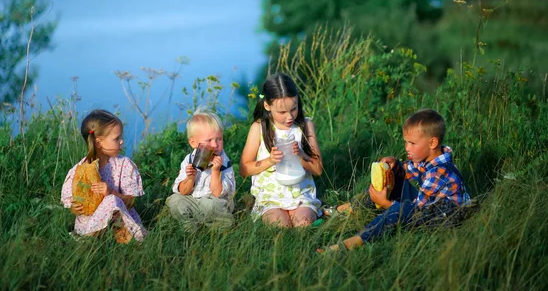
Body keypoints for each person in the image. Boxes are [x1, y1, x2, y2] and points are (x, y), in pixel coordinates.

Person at [318, 108, 471, 252]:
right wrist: (395, 166)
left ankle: (351, 243)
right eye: (406, 142)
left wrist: (386, 204)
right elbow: (408, 171)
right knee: (391, 181)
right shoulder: (429, 159)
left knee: (399, 210)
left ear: (432, 143)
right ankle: (347, 210)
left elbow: (417, 212)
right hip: (429, 208)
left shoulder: (438, 172)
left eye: (412, 143)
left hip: (445, 219)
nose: (407, 148)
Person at [240, 73, 323, 227]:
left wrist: (300, 155)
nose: (289, 117)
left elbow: (318, 169)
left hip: (301, 195)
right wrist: (270, 160)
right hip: (270, 197)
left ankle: (318, 215)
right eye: (282, 112)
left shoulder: (304, 125)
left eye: (294, 108)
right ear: (267, 106)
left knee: (303, 224)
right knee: (281, 226)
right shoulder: (259, 128)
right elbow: (244, 169)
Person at [61, 109, 147, 243]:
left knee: (112, 200)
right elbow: (70, 200)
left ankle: (119, 238)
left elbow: (131, 202)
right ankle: (89, 238)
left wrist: (111, 193)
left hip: (119, 222)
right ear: (98, 142)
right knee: (109, 201)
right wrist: (74, 208)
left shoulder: (124, 165)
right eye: (116, 138)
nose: (122, 141)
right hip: (89, 223)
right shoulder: (80, 170)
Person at [166, 109, 236, 228]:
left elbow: (217, 193)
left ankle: (222, 227)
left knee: (209, 204)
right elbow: (183, 191)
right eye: (209, 140)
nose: (215, 145)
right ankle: (190, 228)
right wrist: (190, 178)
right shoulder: (189, 160)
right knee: (175, 200)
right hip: (194, 200)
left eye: (219, 139)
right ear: (193, 142)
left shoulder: (224, 162)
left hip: (217, 203)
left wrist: (215, 170)